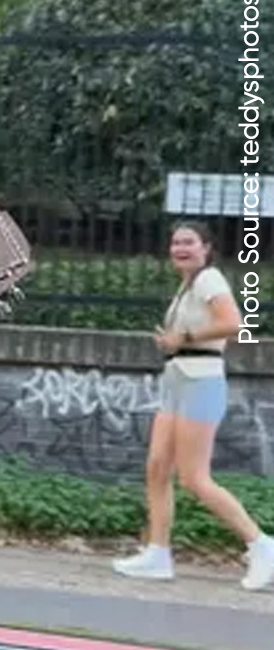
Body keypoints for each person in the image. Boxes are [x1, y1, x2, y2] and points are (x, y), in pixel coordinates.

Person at [111, 220, 274, 590]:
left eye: (189, 242)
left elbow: (234, 322)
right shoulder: (186, 287)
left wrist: (183, 336)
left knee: (194, 478)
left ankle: (262, 545)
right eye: (175, 243)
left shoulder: (209, 279)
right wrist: (172, 342)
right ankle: (157, 554)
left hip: (202, 381)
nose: (180, 248)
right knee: (156, 468)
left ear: (206, 248)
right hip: (177, 379)